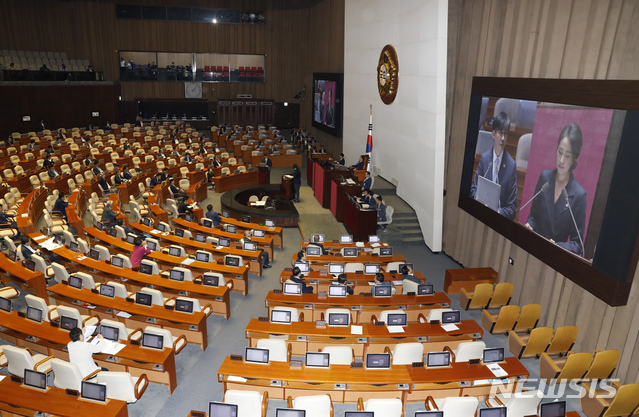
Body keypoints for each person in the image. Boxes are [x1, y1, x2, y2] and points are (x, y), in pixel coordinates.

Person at [525, 123, 586, 255]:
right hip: (533, 248)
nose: (562, 160)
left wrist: (557, 246)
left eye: (567, 156)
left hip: (554, 258)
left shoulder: (579, 195)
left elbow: (578, 244)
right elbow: (533, 215)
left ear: (575, 158)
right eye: (560, 152)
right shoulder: (544, 177)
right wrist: (530, 225)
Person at [470, 111, 518, 221]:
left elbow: (512, 208)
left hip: (497, 220)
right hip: (480, 215)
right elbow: (473, 189)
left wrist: (497, 211)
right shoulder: (485, 159)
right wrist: (479, 199)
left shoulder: (511, 166)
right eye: (500, 133)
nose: (503, 138)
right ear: (493, 134)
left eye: (505, 134)